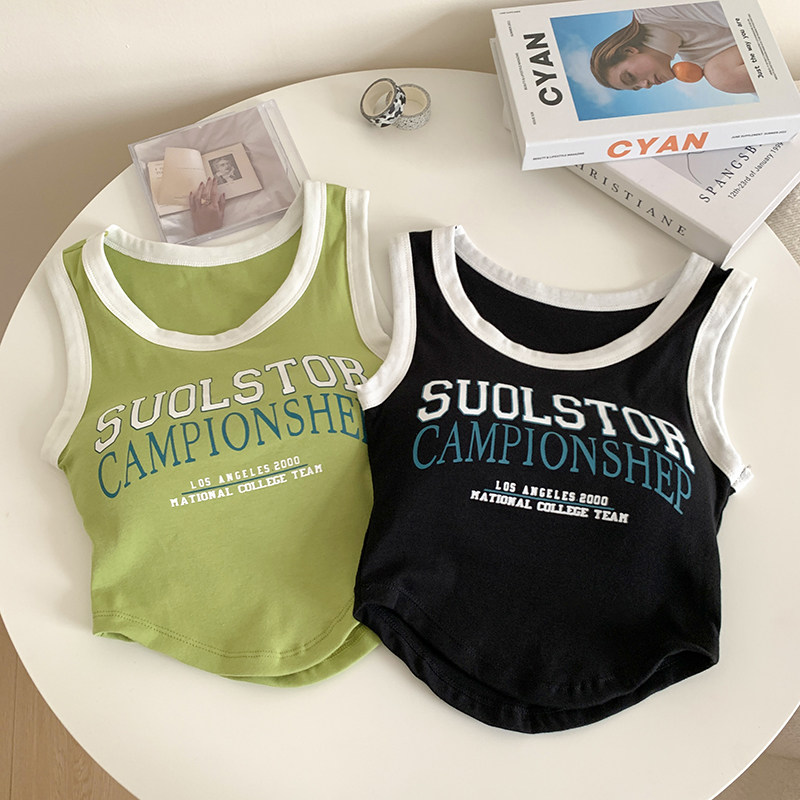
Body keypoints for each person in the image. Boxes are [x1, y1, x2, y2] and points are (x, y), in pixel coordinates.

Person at [590, 2, 754, 94]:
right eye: (637, 87)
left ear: (629, 51)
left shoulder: (655, 8)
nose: (645, 85)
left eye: (630, 77)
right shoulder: (696, 61)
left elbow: (747, 9)